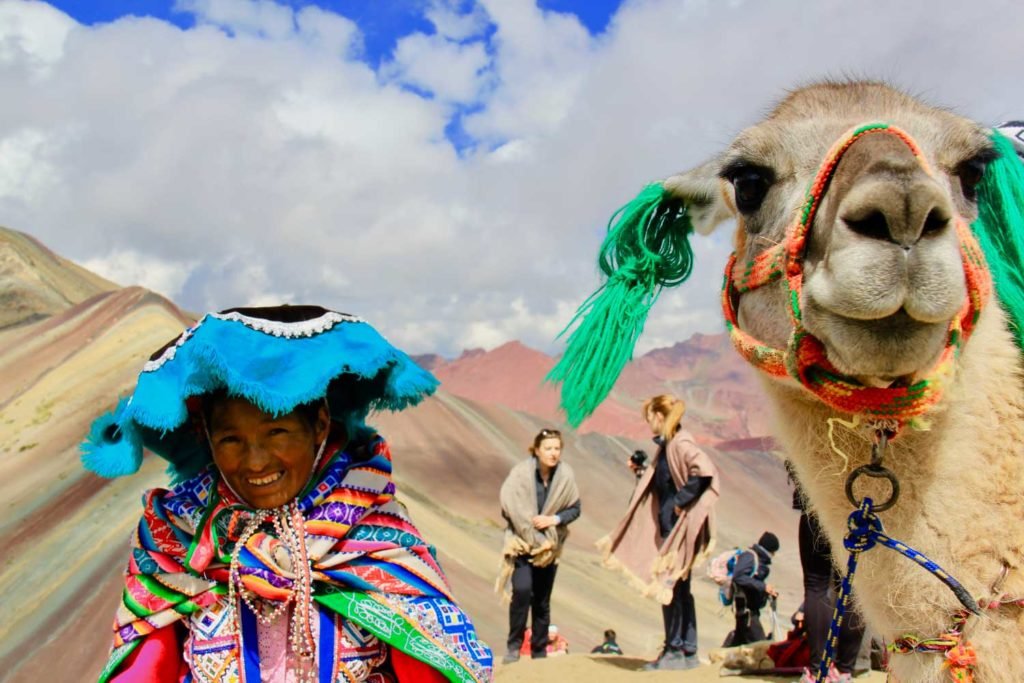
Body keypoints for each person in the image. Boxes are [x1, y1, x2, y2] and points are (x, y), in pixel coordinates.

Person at [81, 306, 493, 683]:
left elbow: (431, 669)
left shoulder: (377, 536)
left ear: (318, 424)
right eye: (230, 439)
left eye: (275, 432)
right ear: (206, 438)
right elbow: (144, 670)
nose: (256, 461)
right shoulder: (177, 537)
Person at [598, 394, 720, 671]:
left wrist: (679, 503)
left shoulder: (680, 443)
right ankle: (687, 650)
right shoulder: (668, 446)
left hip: (675, 530)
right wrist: (643, 472)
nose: (648, 423)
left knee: (671, 589)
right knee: (680, 589)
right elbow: (665, 480)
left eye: (650, 417)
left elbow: (703, 473)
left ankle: (674, 650)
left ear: (661, 417)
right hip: (672, 527)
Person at [497, 428, 581, 664]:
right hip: (522, 545)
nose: (553, 453)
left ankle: (539, 651)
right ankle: (514, 646)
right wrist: (527, 527)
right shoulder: (520, 474)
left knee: (542, 600)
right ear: (536, 450)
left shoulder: (565, 476)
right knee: (522, 592)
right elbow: (508, 503)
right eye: (548, 448)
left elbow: (575, 508)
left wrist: (553, 520)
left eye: (557, 448)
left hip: (549, 548)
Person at [789, 471, 865, 683]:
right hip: (857, 509)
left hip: (816, 502)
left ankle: (817, 671)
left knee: (816, 585)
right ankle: (844, 670)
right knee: (851, 587)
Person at [729, 531, 780, 646]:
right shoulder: (750, 557)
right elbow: (738, 577)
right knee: (759, 644)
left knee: (740, 640)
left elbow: (752, 581)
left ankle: (723, 656)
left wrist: (767, 591)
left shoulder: (758, 559)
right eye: (773, 552)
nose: (774, 555)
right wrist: (763, 587)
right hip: (746, 609)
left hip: (750, 609)